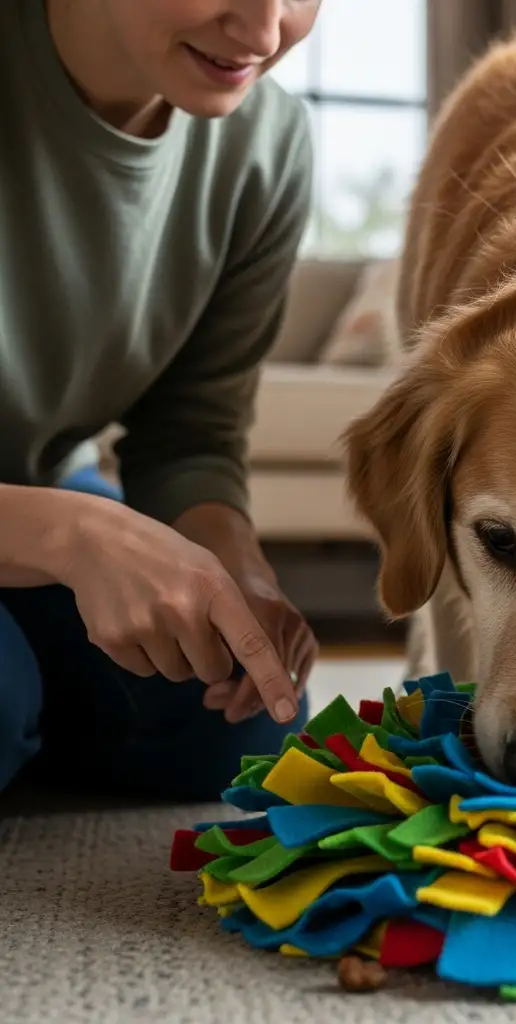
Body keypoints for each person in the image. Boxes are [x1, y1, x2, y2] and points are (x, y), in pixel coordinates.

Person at [0, 0, 325, 801]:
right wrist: (71, 533)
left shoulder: (267, 143)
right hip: (43, 518)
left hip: (44, 498)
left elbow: (188, 434)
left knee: (244, 717)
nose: (263, 33)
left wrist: (241, 577)